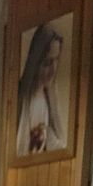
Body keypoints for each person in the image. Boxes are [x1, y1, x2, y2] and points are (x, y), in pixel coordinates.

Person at [17, 22, 66, 156]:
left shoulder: (49, 98)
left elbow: (54, 142)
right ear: (36, 62)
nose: (53, 70)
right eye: (47, 63)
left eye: (56, 60)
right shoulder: (20, 95)